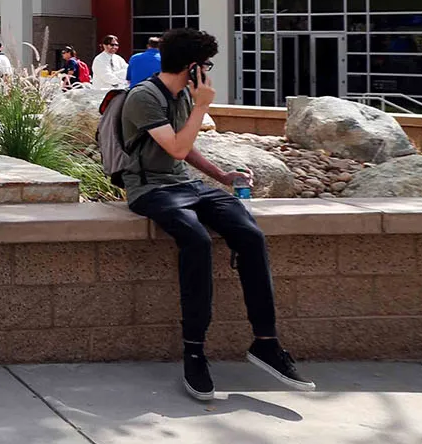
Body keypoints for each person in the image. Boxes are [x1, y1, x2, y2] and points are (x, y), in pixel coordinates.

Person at [116, 26, 314, 400]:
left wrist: (222, 175)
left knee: (251, 236)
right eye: (206, 65)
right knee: (196, 240)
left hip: (185, 185)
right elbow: (175, 148)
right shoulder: (143, 97)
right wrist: (204, 105)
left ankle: (266, 343)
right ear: (193, 67)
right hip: (150, 189)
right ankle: (194, 351)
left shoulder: (182, 97)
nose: (208, 72)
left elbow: (185, 149)